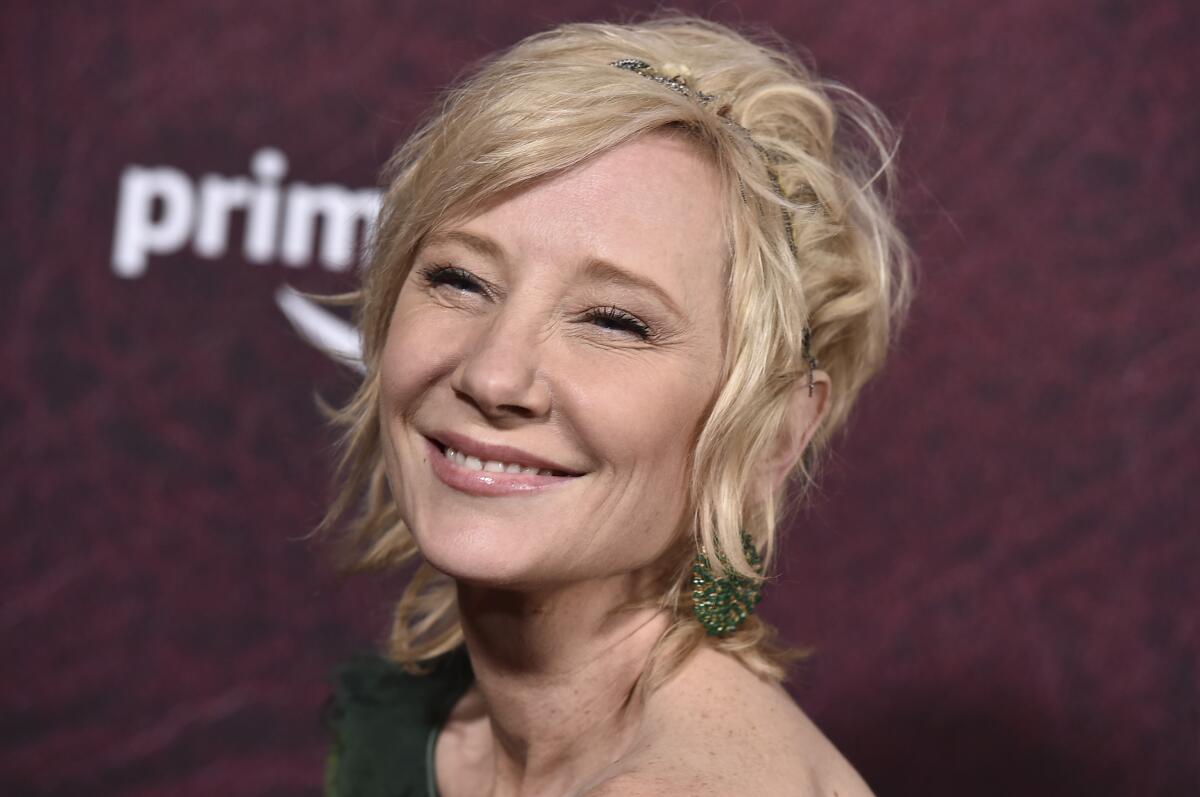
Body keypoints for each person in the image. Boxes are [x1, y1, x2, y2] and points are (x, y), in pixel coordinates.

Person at [319, 15, 911, 797]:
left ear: (774, 430)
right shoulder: (420, 724)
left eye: (614, 321)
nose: (494, 375)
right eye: (459, 279)